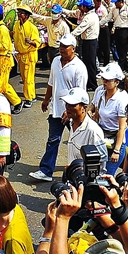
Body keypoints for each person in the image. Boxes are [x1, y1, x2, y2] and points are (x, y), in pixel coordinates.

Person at [31, 33, 88, 181]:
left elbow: (80, 94)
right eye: (61, 46)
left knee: (78, 141)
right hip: (55, 110)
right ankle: (46, 171)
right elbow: (51, 82)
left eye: (65, 47)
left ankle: (84, 168)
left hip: (72, 113)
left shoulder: (79, 68)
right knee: (53, 140)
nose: (61, 49)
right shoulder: (56, 61)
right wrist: (46, 100)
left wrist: (70, 113)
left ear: (73, 49)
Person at [92, 62, 128, 169]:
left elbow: (122, 128)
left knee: (107, 177)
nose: (104, 82)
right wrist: (90, 112)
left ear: (117, 82)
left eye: (108, 80)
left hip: (116, 141)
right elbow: (93, 106)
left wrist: (116, 151)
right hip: (101, 138)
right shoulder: (99, 91)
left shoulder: (122, 99)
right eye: (103, 79)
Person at [12, 6, 41, 108]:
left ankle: (28, 98)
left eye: (21, 13)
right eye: (18, 13)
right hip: (21, 55)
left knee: (28, 78)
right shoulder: (16, 25)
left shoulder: (32, 28)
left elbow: (37, 42)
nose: (19, 15)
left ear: (27, 15)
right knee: (25, 78)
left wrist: (31, 42)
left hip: (29, 55)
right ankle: (32, 95)